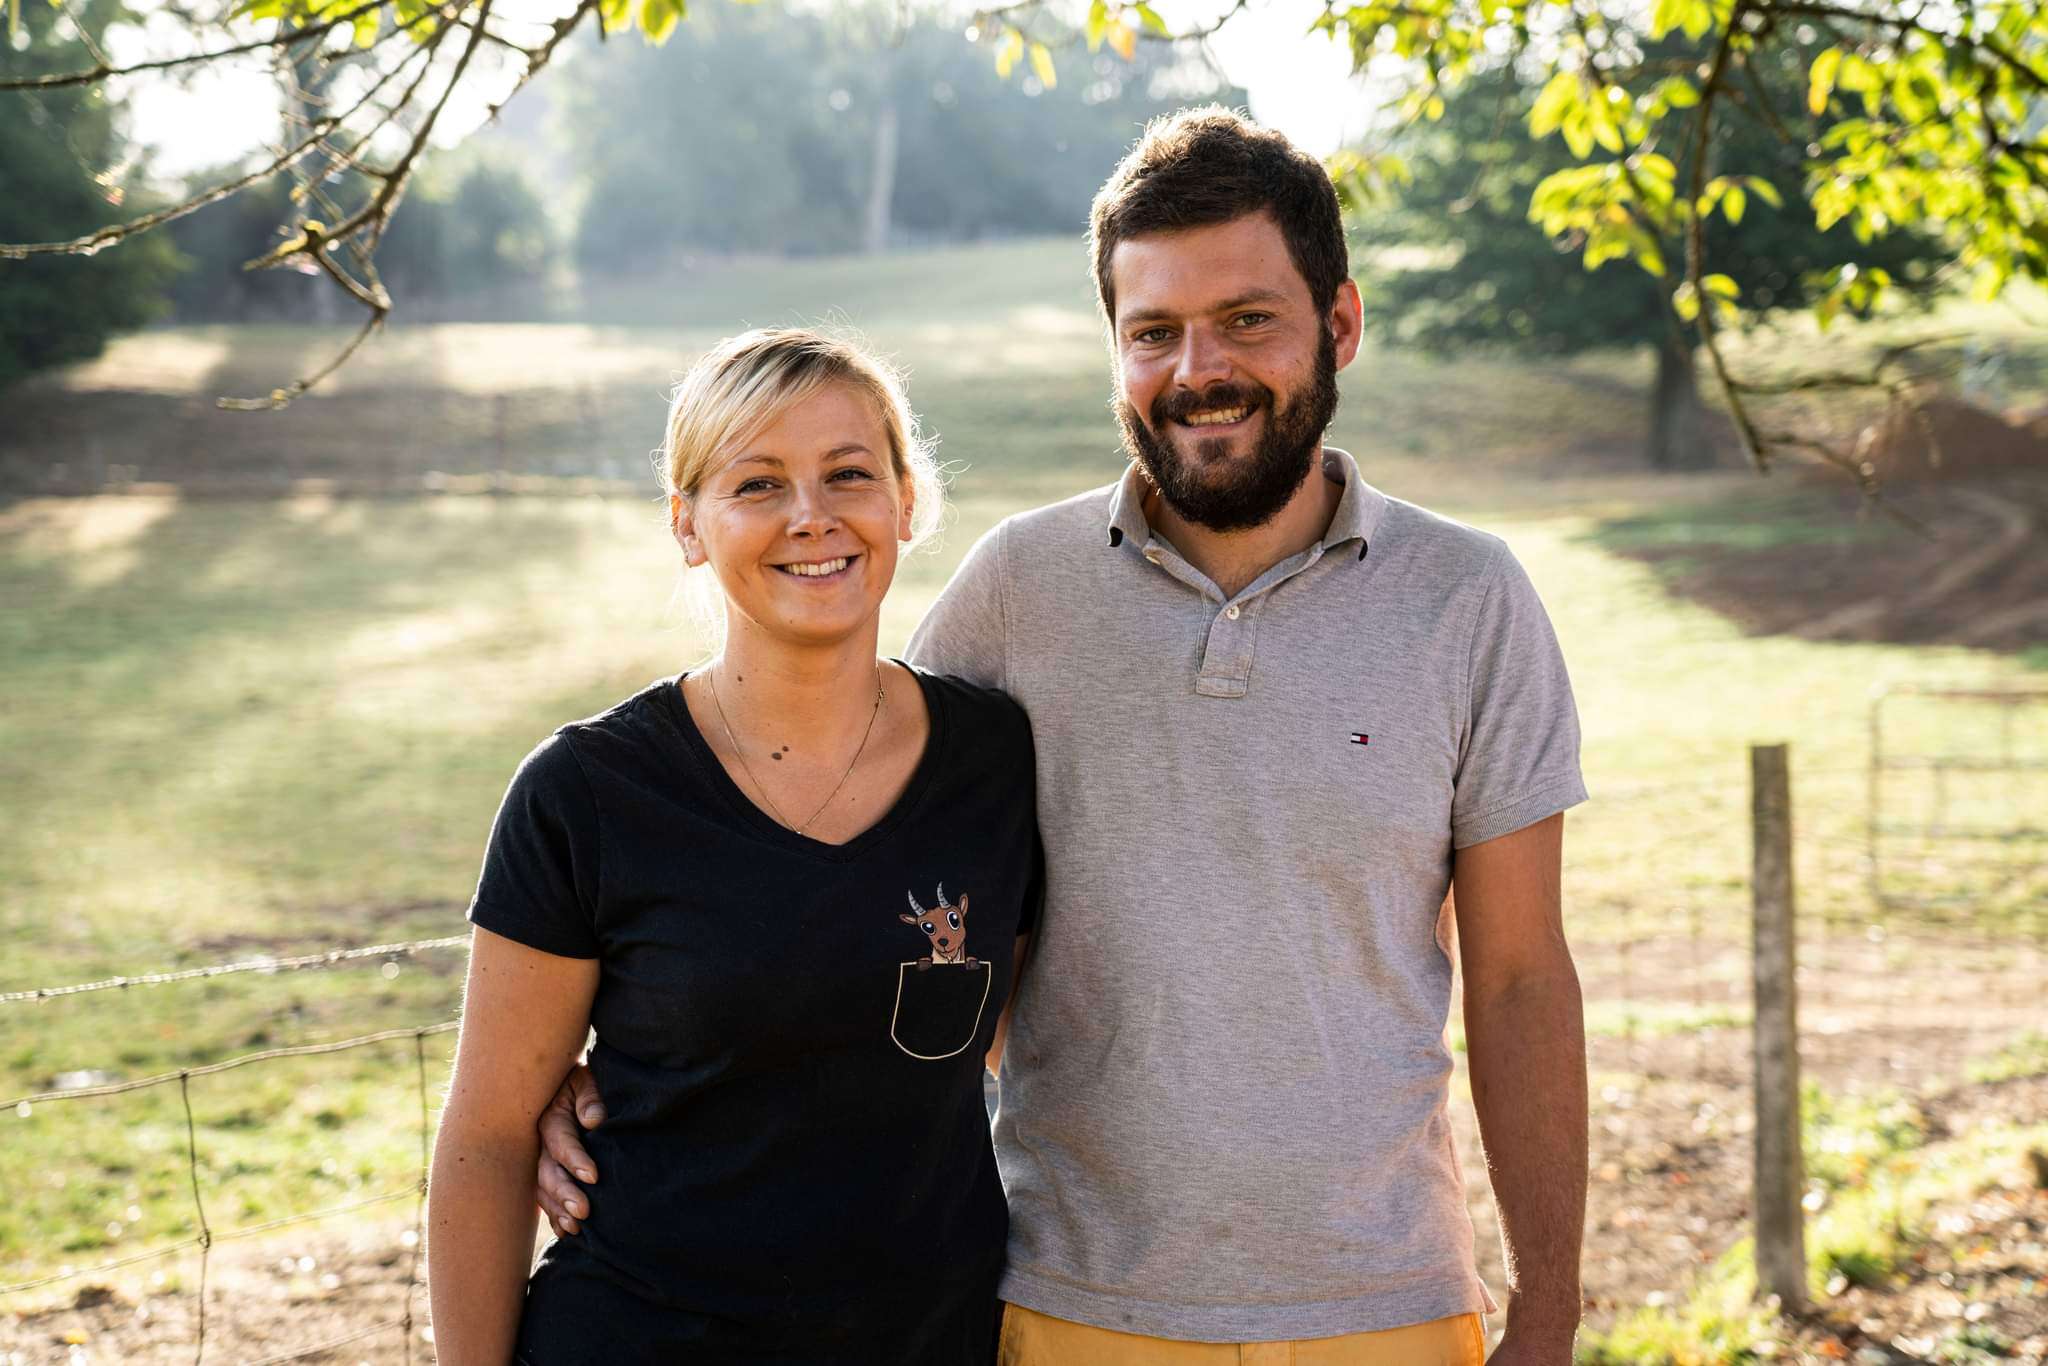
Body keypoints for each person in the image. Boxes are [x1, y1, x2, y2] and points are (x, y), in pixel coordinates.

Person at [538, 108, 1590, 1366]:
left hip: (1385, 1300)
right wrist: (588, 1072)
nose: (1198, 367)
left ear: (1339, 325)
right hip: (1065, 1298)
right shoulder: (1014, 592)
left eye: (1247, 319)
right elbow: (852, 877)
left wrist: (1551, 1306)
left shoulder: (1465, 599)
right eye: (1152, 332)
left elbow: (1523, 978)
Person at [427, 329, 1042, 1365]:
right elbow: (488, 1139)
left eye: (847, 473)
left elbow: (1013, 1028)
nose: (811, 516)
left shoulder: (998, 758)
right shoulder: (585, 794)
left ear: (903, 499)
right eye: (756, 484)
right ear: (688, 525)